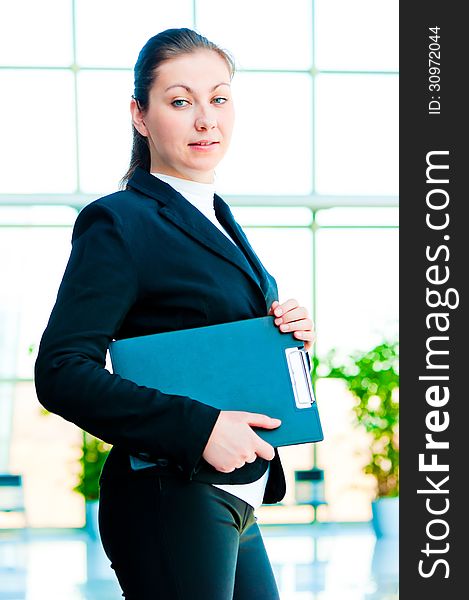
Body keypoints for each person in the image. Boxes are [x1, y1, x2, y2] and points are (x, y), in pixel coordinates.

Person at [34, 28, 315, 600]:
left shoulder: (216, 216)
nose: (205, 120)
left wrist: (286, 337)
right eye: (180, 101)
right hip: (171, 492)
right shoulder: (119, 222)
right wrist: (201, 428)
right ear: (141, 116)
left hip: (235, 494)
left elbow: (203, 343)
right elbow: (60, 370)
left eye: (220, 97)